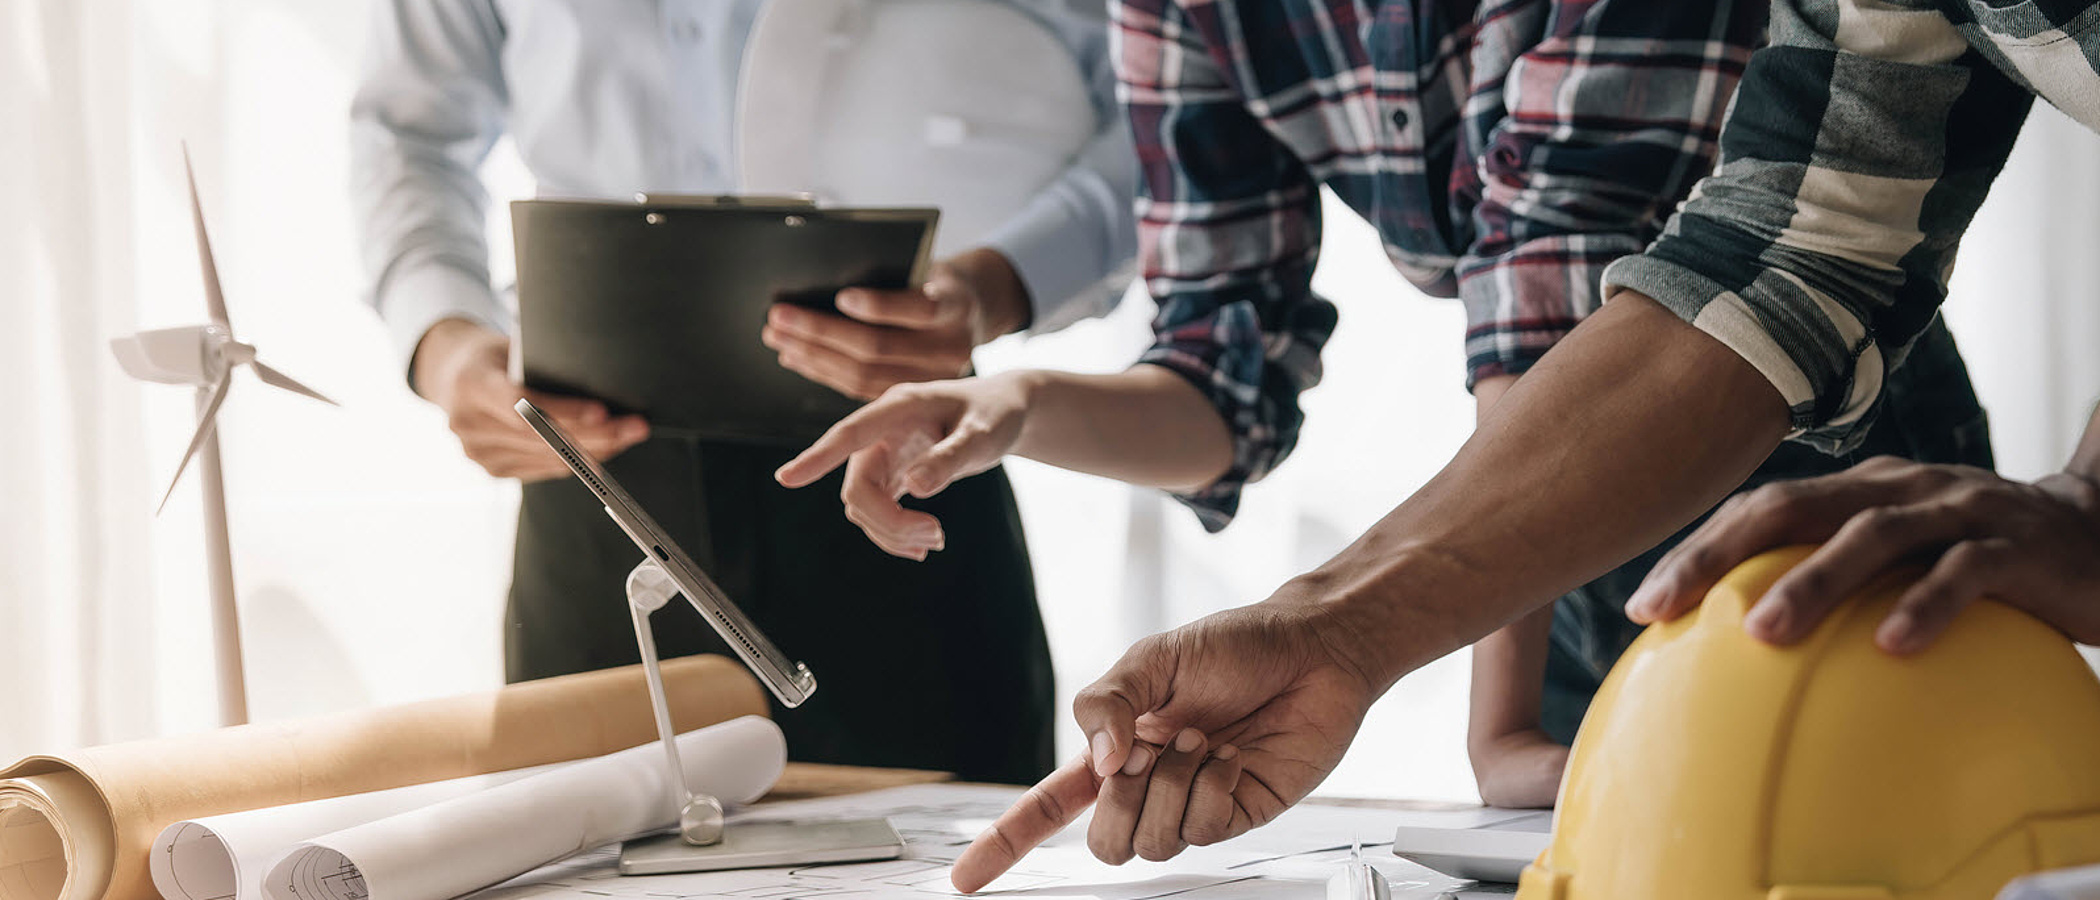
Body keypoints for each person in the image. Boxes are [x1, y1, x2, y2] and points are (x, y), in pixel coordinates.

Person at [902, 0, 2100, 886]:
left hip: (1814, 453)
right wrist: (1335, 626)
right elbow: (1796, 247)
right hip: (1611, 436)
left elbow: (1547, 282)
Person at [349, 0, 1137, 785]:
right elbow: (407, 130)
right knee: (577, 853)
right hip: (589, 472)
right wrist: (445, 344)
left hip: (901, 443)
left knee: (945, 859)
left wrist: (1006, 282)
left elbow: (1159, 116)